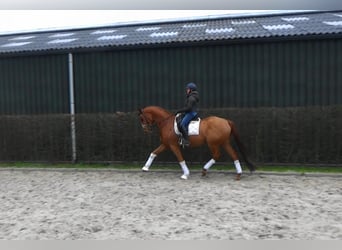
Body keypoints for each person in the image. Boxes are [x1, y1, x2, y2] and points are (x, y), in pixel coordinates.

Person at [175, 82, 199, 147]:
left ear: (191, 90)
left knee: (182, 124)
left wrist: (179, 111)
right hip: (190, 112)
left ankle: (186, 140)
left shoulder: (191, 98)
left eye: (188, 89)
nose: (187, 90)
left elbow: (188, 108)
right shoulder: (191, 96)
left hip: (191, 113)